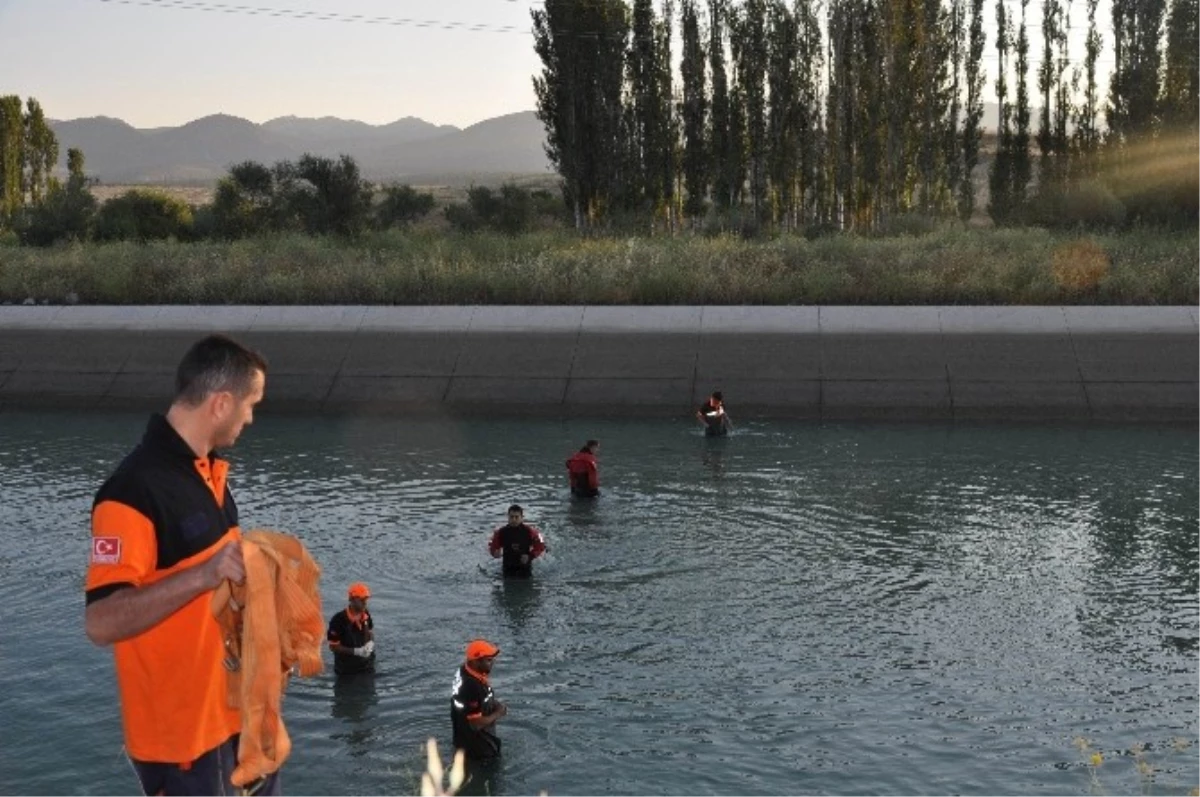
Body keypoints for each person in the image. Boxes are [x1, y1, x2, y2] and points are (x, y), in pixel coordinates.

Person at [83, 334, 277, 796]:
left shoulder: (210, 474)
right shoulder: (131, 493)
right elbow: (101, 621)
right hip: (183, 745)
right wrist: (205, 573)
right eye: (250, 405)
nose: (250, 418)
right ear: (221, 403)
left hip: (239, 719)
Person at [450, 639, 506, 761]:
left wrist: (493, 703)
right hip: (478, 748)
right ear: (476, 662)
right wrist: (498, 713)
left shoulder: (464, 670)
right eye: (488, 660)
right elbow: (475, 724)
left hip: (461, 740)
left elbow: (473, 702)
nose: (493, 663)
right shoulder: (471, 686)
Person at [327, 582, 376, 676]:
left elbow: (370, 633)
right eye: (361, 599)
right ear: (352, 600)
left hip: (367, 665)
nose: (365, 602)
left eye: (366, 599)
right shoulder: (338, 620)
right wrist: (357, 651)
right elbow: (333, 647)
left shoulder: (366, 613)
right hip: (346, 669)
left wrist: (370, 643)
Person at [488, 505, 546, 579]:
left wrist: (530, 556)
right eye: (511, 517)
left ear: (522, 518)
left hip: (525, 567)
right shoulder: (500, 532)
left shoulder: (531, 532)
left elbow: (541, 545)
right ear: (508, 517)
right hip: (507, 567)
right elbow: (492, 545)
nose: (514, 520)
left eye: (516, 517)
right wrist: (495, 552)